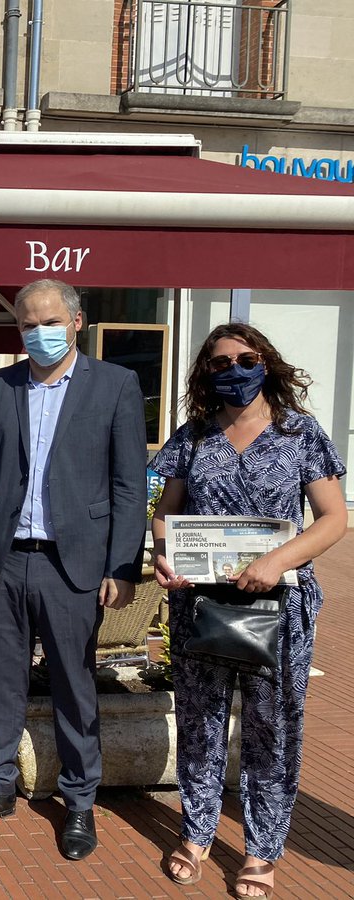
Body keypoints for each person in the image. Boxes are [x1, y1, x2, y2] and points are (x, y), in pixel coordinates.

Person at [0, 278, 147, 861]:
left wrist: (122, 565)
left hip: (73, 564)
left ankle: (80, 802)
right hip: (7, 560)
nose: (39, 333)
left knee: (73, 686)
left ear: (76, 322)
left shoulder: (116, 385)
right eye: (27, 324)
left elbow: (130, 486)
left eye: (49, 321)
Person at [150, 323, 346, 898]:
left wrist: (279, 562)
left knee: (272, 729)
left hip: (280, 605)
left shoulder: (301, 434)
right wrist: (163, 554)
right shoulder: (194, 436)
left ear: (266, 362)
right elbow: (167, 512)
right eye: (219, 362)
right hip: (201, 603)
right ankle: (197, 832)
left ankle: (262, 849)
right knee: (200, 720)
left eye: (245, 358)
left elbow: (334, 518)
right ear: (206, 373)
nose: (233, 368)